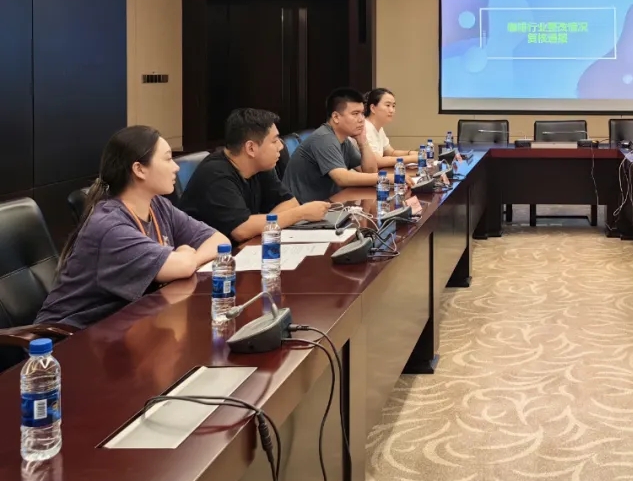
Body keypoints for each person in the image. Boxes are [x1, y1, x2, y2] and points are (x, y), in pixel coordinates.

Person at [36, 126, 229, 331]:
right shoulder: (110, 227)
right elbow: (183, 266)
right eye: (167, 159)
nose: (176, 167)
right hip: (67, 338)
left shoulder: (158, 205)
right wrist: (183, 258)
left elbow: (219, 241)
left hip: (123, 327)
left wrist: (188, 258)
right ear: (139, 169)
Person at [181, 108, 332, 243]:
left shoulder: (261, 166)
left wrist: (263, 225)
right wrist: (301, 214)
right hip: (208, 259)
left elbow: (290, 202)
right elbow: (241, 230)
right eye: (274, 141)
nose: (281, 146)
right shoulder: (215, 174)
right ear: (251, 148)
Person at [282, 87, 381, 203]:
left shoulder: (343, 140)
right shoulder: (324, 138)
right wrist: (385, 178)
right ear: (336, 117)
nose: (362, 119)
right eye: (355, 114)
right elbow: (342, 178)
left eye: (362, 113)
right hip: (302, 209)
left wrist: (363, 142)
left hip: (327, 204)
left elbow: (370, 172)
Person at [362, 89, 419, 169]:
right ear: (373, 108)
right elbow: (377, 161)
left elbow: (391, 152)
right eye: (388, 105)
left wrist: (411, 153)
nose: (392, 110)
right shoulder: (364, 127)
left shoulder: (379, 128)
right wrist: (412, 158)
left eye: (393, 106)